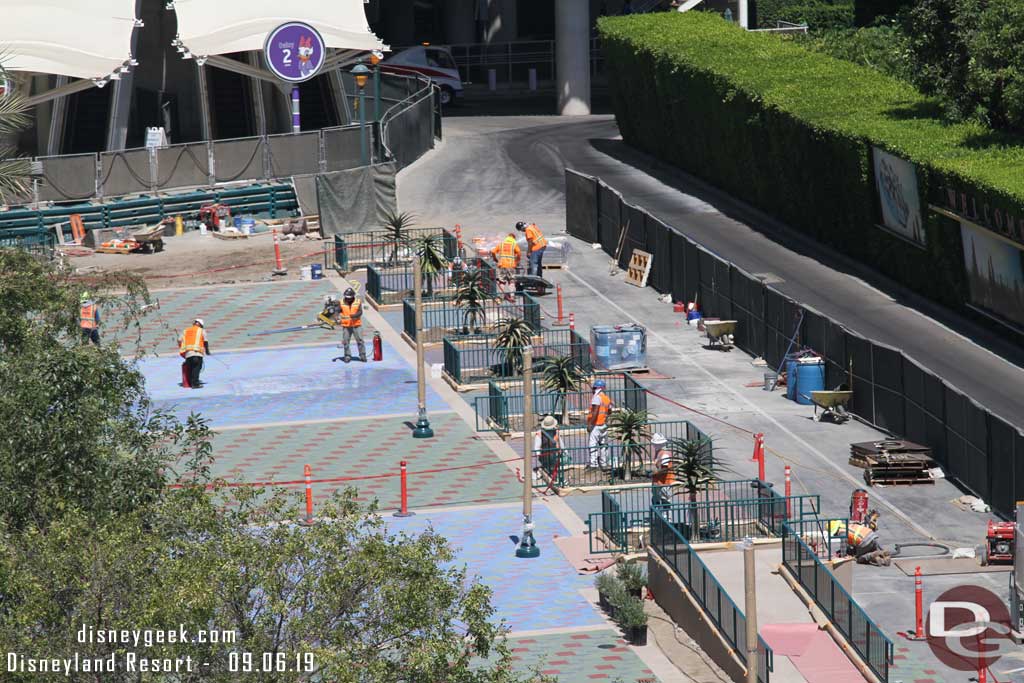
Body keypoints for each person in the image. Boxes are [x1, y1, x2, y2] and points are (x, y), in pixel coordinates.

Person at [588, 379, 614, 469]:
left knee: (593, 445)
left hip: (596, 425)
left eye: (593, 388)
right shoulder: (606, 398)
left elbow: (595, 412)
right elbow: (610, 411)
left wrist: (590, 424)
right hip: (603, 425)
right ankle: (604, 463)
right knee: (603, 445)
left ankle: (593, 464)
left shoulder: (597, 397)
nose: (592, 390)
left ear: (596, 388)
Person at [179, 318, 211, 389]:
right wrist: (207, 351)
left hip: (188, 354)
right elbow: (205, 341)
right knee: (196, 368)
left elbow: (179, 340)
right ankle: (195, 384)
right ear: (200, 324)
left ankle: (190, 383)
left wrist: (182, 349)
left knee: (190, 368)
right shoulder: (202, 331)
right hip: (197, 353)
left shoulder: (186, 330)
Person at [337, 288, 366, 363]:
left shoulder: (358, 302)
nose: (348, 299)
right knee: (346, 341)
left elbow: (360, 312)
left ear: (353, 296)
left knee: (360, 340)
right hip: (346, 325)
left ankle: (362, 355)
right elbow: (338, 311)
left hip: (356, 325)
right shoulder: (341, 302)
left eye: (349, 298)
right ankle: (347, 355)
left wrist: (354, 315)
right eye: (346, 297)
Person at [533, 415, 563, 487]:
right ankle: (549, 470)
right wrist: (540, 455)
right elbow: (537, 448)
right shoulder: (539, 434)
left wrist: (561, 451)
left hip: (554, 455)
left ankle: (552, 471)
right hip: (545, 456)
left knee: (554, 464)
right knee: (549, 465)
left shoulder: (556, 432)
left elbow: (561, 444)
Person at [650, 433, 674, 502]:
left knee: (665, 501)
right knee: (656, 500)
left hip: (664, 482)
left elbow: (664, 469)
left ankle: (665, 512)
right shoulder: (659, 452)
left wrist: (653, 474)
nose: (654, 446)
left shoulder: (665, 454)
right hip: (657, 482)